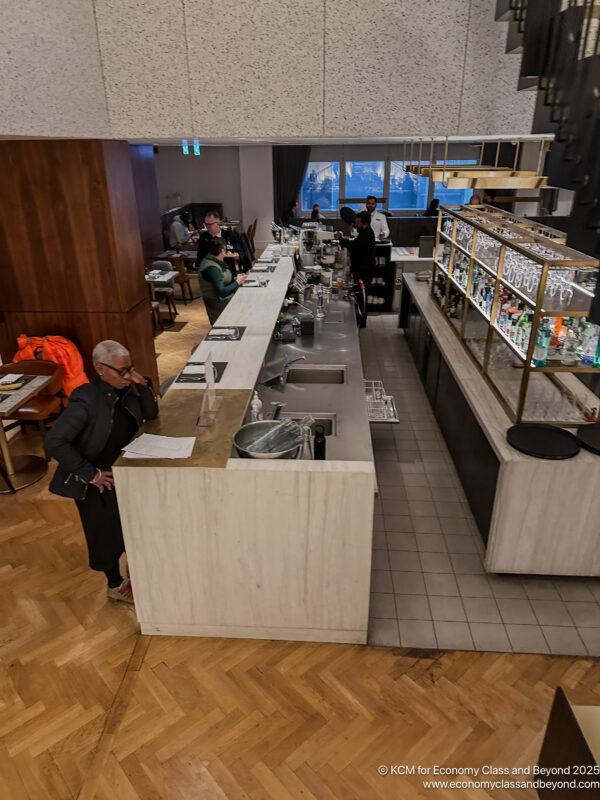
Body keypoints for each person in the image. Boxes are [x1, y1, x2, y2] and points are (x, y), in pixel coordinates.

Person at [44, 340, 158, 604]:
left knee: (130, 525)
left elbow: (151, 415)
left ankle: (135, 570)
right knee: (103, 534)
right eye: (122, 370)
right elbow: (54, 442)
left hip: (123, 472)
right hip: (96, 480)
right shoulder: (85, 399)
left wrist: (143, 386)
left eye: (130, 368)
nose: (127, 374)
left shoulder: (126, 388)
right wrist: (91, 474)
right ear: (100, 369)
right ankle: (115, 585)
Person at [335, 210, 376, 327]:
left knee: (362, 296)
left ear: (365, 224)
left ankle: (362, 321)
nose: (356, 226)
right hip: (360, 269)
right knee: (359, 294)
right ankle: (359, 318)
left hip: (365, 271)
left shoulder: (367, 235)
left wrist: (340, 238)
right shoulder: (364, 232)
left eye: (358, 224)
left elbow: (354, 245)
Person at [197, 237, 247, 324]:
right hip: (219, 305)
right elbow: (222, 292)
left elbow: (222, 280)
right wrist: (237, 282)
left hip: (223, 301)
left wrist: (237, 279)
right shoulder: (212, 268)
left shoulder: (214, 260)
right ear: (222, 251)